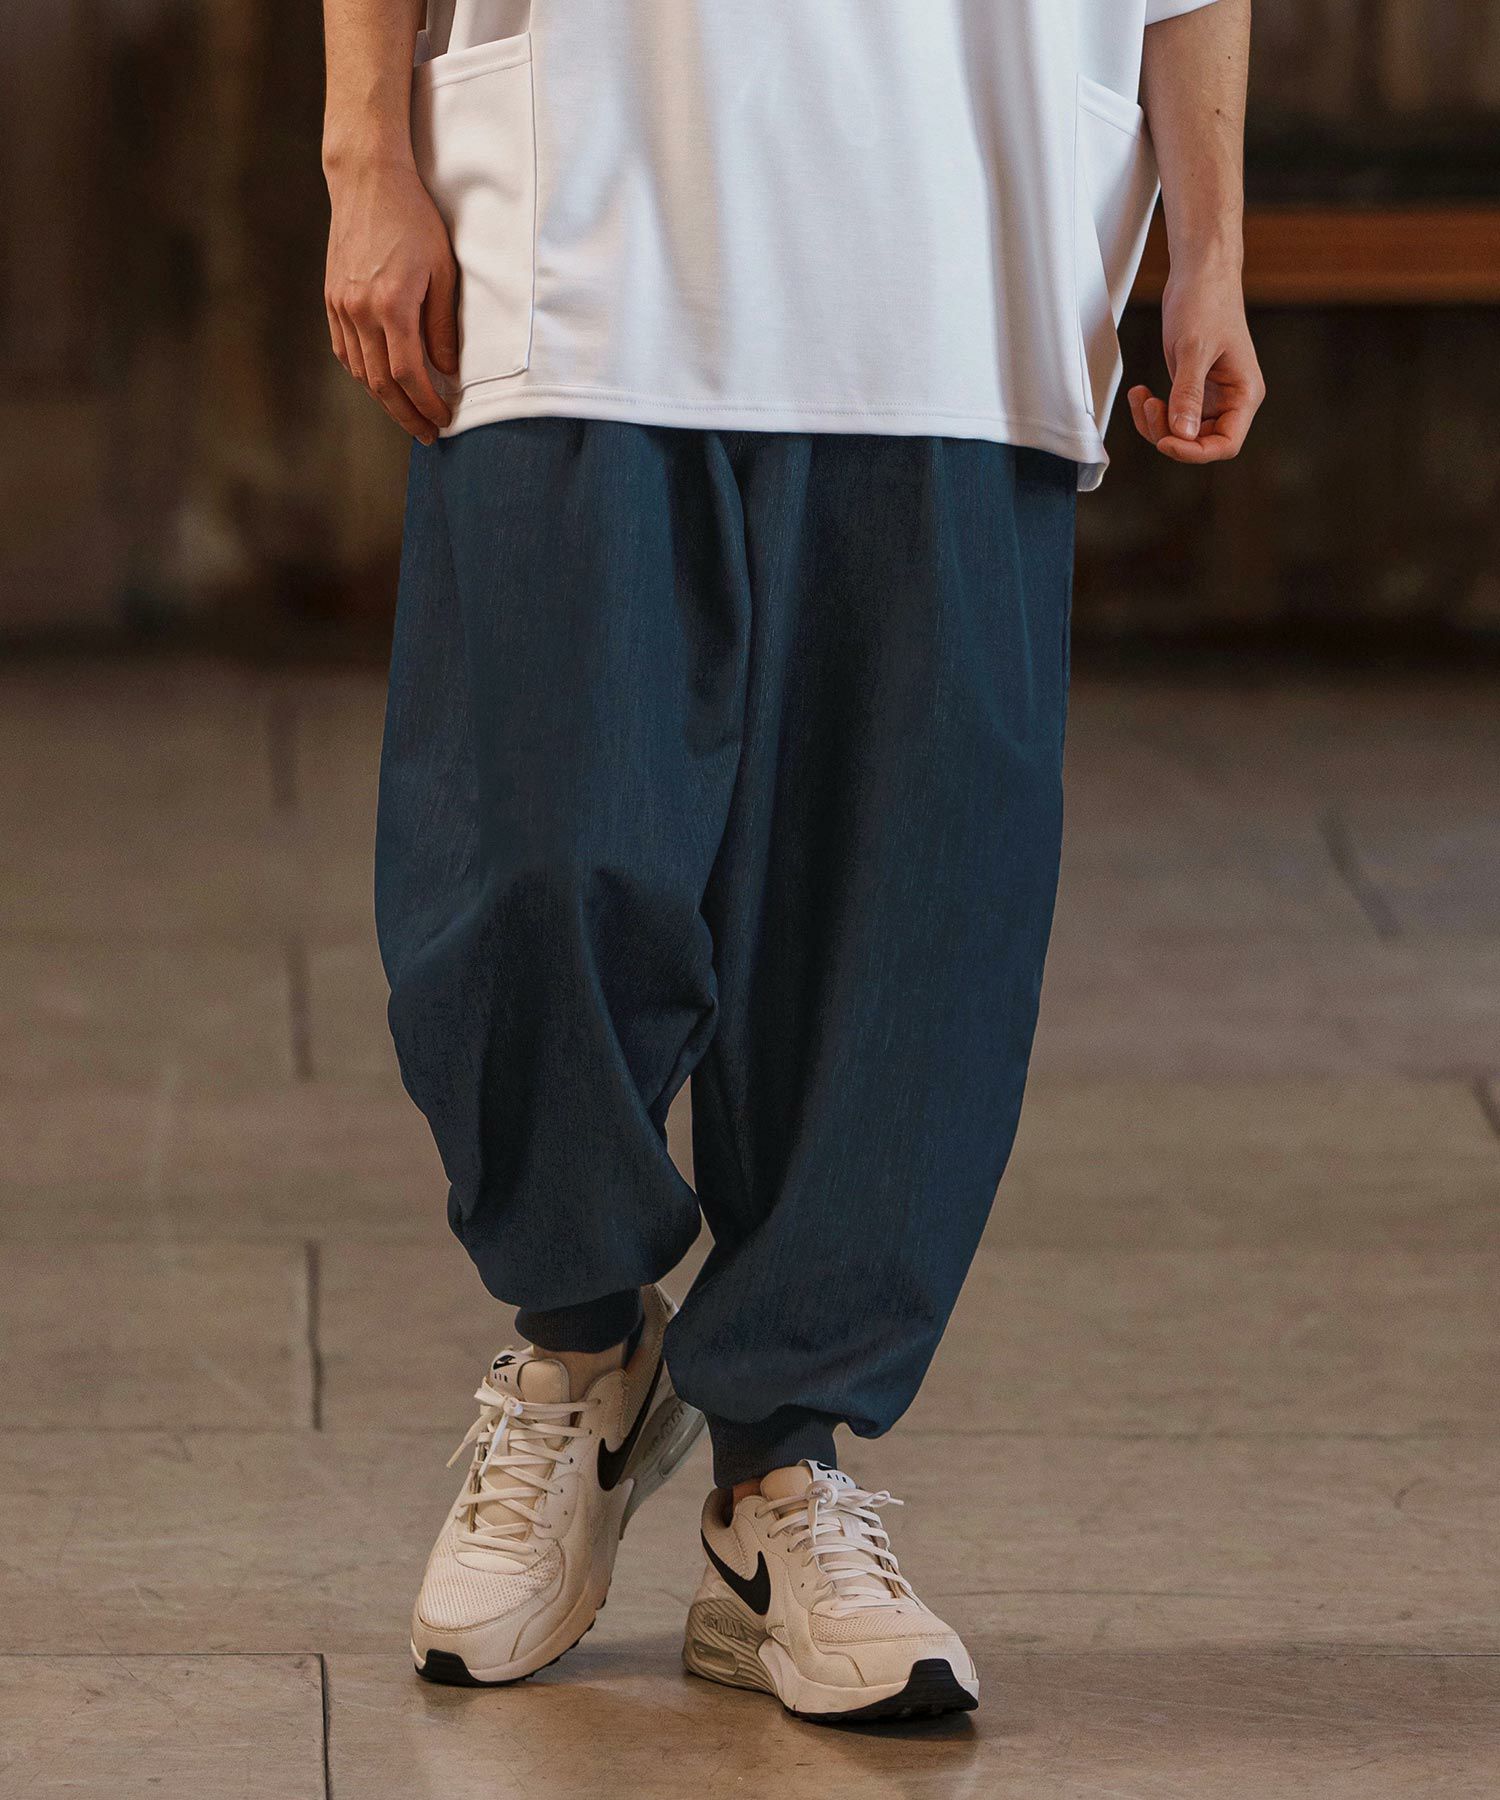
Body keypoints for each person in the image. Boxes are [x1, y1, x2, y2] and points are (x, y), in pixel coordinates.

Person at [321, 0, 1261, 1723]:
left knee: (907, 917)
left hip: (961, 251)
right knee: (529, 862)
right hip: (580, 212)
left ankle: (781, 1477)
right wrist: (362, 154)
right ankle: (582, 1343)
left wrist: (1212, 246)